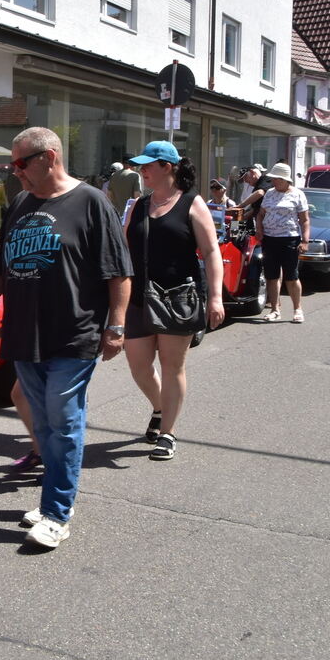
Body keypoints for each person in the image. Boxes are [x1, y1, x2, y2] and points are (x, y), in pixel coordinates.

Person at [0, 127, 132, 550]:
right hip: (24, 333)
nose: (14, 171)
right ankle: (53, 502)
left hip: (73, 333)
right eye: (12, 163)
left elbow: (118, 272)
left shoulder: (92, 203)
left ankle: (57, 514)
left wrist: (116, 326)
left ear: (50, 158)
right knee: (42, 424)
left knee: (64, 422)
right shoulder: (21, 202)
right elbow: (1, 266)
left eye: (21, 163)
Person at [121, 141, 224, 462]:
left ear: (168, 167)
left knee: (171, 366)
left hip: (178, 297)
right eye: (141, 166)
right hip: (138, 297)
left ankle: (168, 432)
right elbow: (124, 249)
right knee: (138, 366)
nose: (142, 171)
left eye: (147, 166)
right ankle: (159, 407)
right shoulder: (138, 205)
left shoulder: (192, 203)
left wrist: (216, 297)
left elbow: (211, 252)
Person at [255, 162, 310, 324]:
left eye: (277, 179)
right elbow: (260, 214)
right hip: (270, 239)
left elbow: (305, 220)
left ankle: (297, 309)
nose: (274, 182)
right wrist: (259, 229)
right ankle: (275, 309)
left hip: (289, 238)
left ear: (286, 180)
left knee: (291, 276)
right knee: (271, 276)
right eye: (273, 179)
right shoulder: (269, 193)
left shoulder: (297, 194)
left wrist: (305, 240)